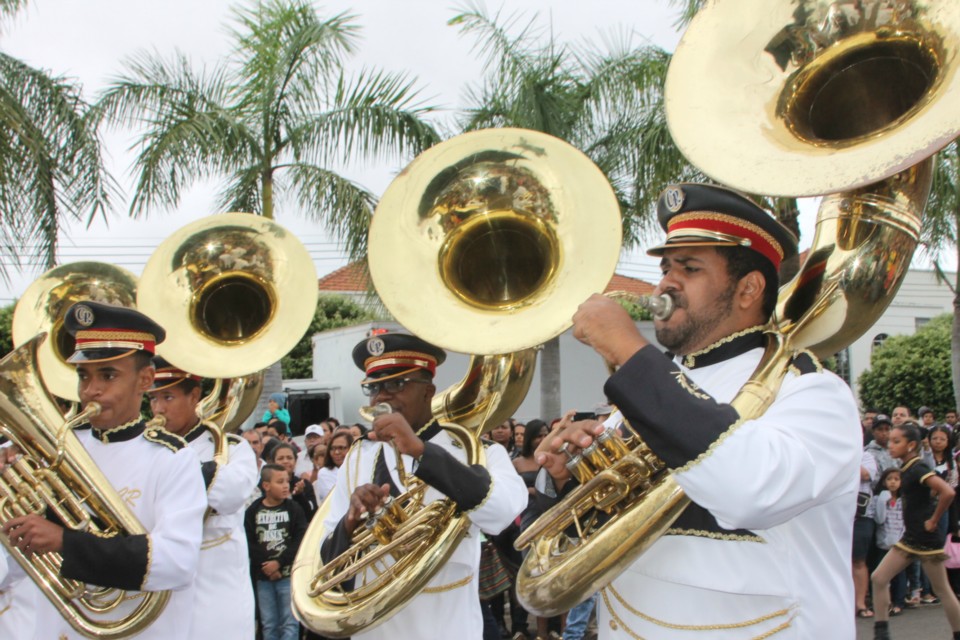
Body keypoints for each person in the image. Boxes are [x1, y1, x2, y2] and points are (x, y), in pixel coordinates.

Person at [536, 183, 862, 639]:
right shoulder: (637, 400)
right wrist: (566, 481)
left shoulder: (812, 393)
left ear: (748, 288)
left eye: (689, 268)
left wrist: (631, 353)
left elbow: (749, 491)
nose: (666, 282)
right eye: (666, 267)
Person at [0, 301, 207, 639]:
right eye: (84, 375)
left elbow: (178, 560)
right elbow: (12, 566)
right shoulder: (56, 450)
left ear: (146, 379)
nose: (90, 390)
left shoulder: (172, 459)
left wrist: (66, 541)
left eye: (108, 375)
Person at [319, 332, 527, 639]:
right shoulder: (359, 455)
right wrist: (350, 522)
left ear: (428, 391)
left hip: (446, 623)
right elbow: (328, 556)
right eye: (374, 387)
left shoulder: (477, 451)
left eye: (396, 384)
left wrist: (421, 451)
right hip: (375, 627)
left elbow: (503, 515)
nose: (382, 397)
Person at [148, 357, 259, 639]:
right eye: (153, 399)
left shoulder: (232, 447)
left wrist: (174, 474)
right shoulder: (150, 449)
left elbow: (233, 494)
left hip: (216, 592)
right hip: (162, 588)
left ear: (194, 396)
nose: (158, 408)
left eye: (168, 397)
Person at [870, 423, 960, 640]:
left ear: (911, 445)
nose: (891, 445)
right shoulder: (907, 467)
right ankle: (881, 633)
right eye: (890, 441)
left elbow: (947, 492)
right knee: (879, 578)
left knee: (942, 590)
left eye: (896, 441)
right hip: (910, 537)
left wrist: (934, 520)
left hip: (926, 538)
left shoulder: (918, 468)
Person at [245, 463, 308, 640]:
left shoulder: (294, 509)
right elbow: (249, 541)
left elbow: (299, 540)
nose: (286, 486)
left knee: (290, 624)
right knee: (269, 624)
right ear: (266, 486)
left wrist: (279, 563)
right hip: (263, 578)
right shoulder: (253, 511)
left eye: (287, 481)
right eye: (280, 482)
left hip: (288, 576)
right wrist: (267, 566)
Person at [873, 468, 907, 616]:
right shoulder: (879, 498)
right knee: (882, 575)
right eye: (889, 479)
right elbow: (879, 519)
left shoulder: (904, 499)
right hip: (883, 542)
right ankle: (885, 603)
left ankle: (899, 602)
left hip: (900, 543)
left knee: (899, 575)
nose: (893, 482)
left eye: (896, 479)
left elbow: (906, 521)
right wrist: (882, 501)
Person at [270, 442, 318, 522]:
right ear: (273, 462)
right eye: (280, 458)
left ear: (295, 461)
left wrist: (299, 496)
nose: (285, 461)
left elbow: (311, 514)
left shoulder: (304, 484)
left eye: (289, 458)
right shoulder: (267, 485)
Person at [315, 430, 353, 501]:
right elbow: (335, 498)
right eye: (333, 448)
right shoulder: (325, 472)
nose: (336, 452)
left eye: (341, 448)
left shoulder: (359, 469)